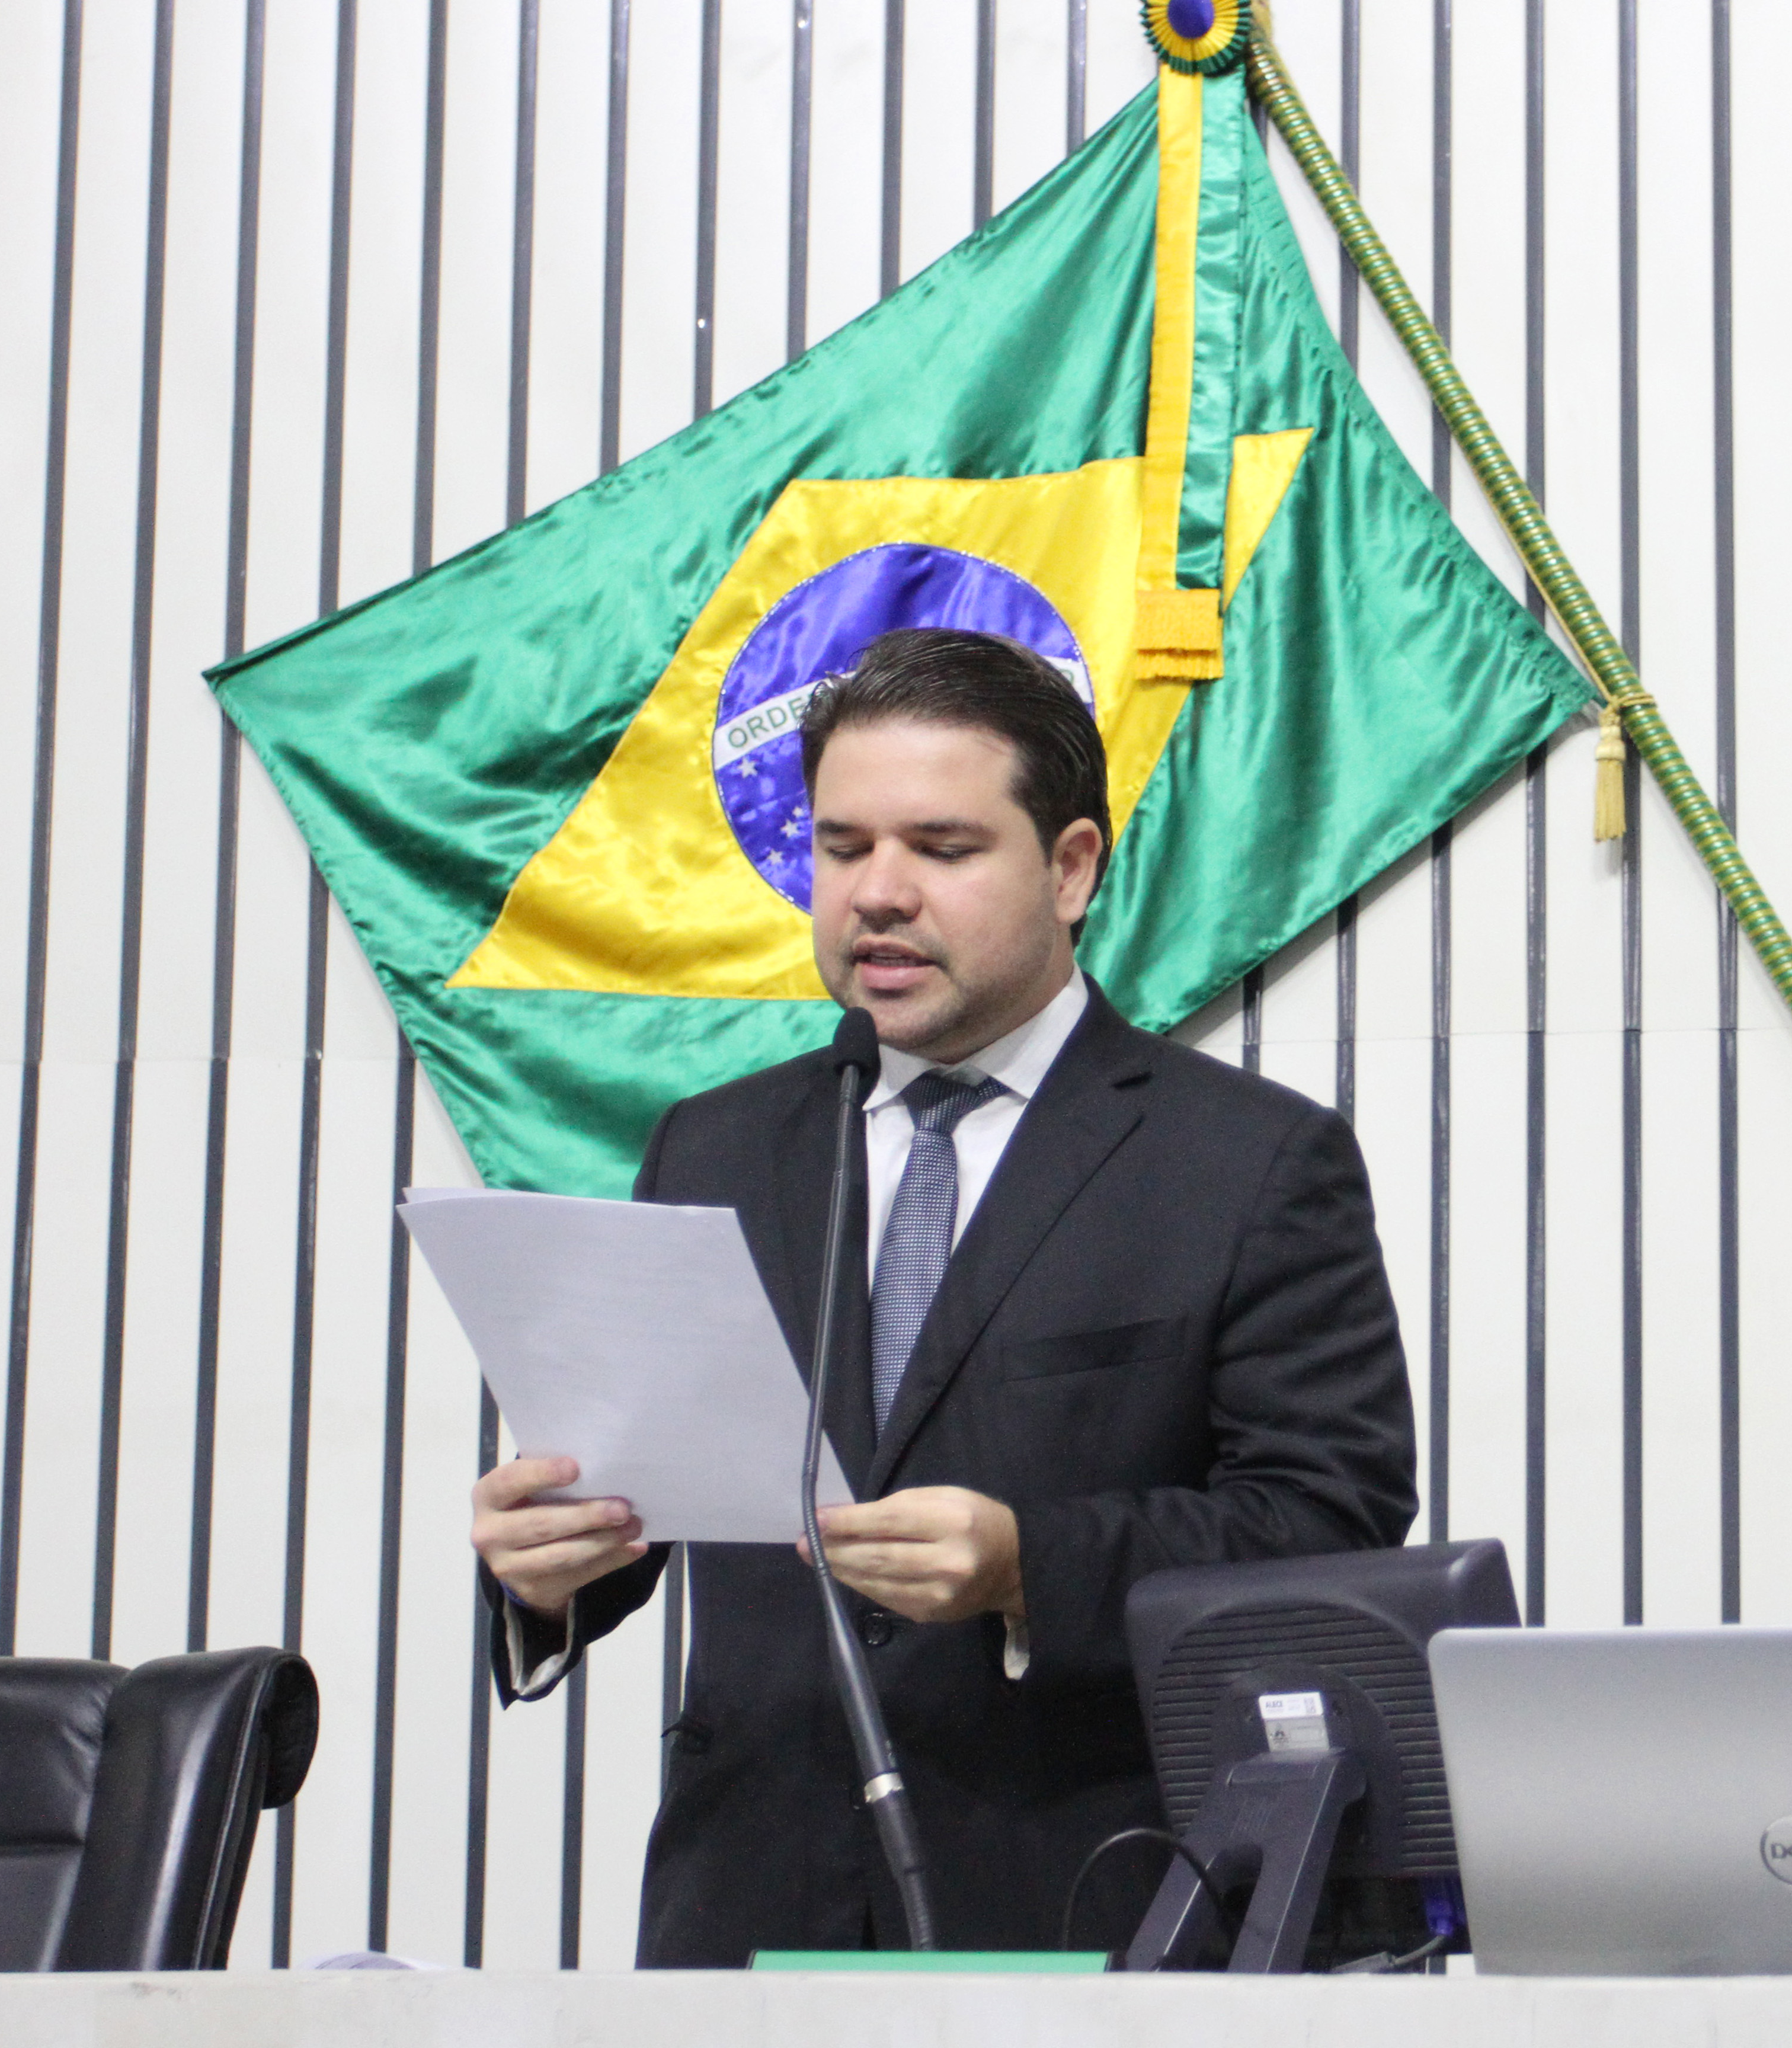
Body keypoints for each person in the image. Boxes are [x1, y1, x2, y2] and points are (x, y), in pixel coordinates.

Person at [467, 627, 1419, 1963]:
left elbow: (1332, 1528)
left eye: (943, 849)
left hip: (1093, 1908)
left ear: (1072, 866)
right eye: (844, 847)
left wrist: (1037, 1566)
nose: (878, 895)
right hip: (749, 1917)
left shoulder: (1251, 1162)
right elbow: (667, 1481)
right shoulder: (718, 1146)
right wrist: (546, 1571)